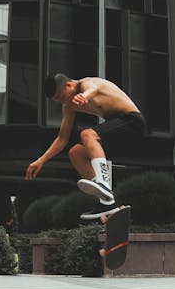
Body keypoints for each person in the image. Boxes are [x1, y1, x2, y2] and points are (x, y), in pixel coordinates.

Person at [26, 73, 146, 218]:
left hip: (132, 123)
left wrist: (85, 96)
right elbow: (62, 138)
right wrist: (41, 160)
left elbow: (93, 88)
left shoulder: (86, 83)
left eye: (63, 97)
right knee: (75, 153)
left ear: (69, 85)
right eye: (59, 101)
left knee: (87, 134)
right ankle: (107, 202)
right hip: (117, 130)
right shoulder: (69, 107)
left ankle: (103, 185)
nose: (64, 101)